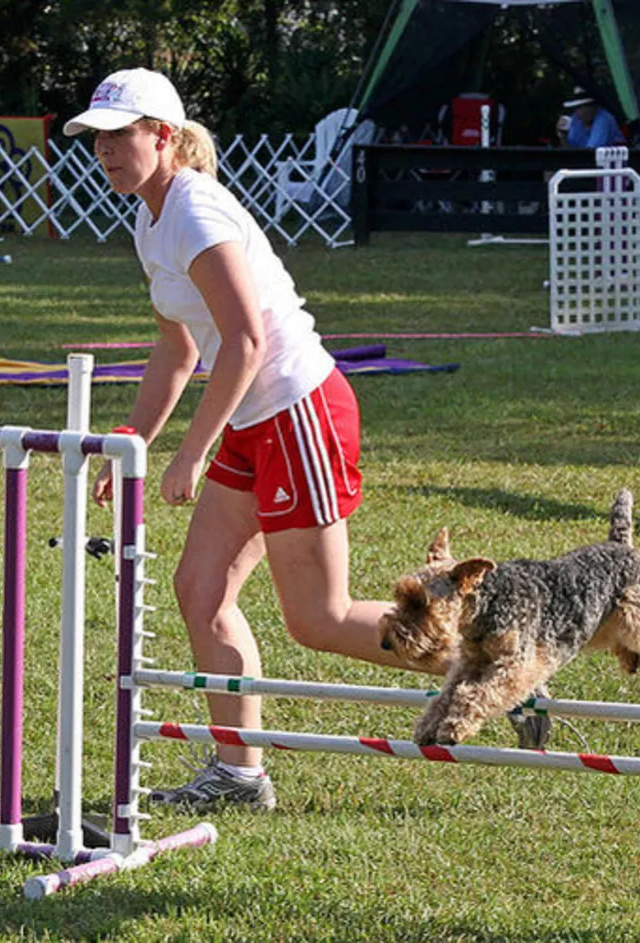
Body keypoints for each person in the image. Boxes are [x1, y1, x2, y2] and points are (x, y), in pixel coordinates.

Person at [64, 68, 444, 812]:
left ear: (163, 137)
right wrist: (131, 441)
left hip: (297, 406)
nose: (104, 149)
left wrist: (190, 451)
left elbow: (243, 340)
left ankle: (491, 660)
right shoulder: (148, 217)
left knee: (319, 618)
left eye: (120, 134)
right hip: (251, 416)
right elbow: (178, 349)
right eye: (97, 137)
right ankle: (237, 775)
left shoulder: (195, 210)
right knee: (200, 591)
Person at [557, 87, 625, 148]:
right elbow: (569, 153)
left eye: (588, 105)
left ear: (595, 106)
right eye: (579, 107)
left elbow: (591, 154)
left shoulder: (604, 119)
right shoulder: (575, 119)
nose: (584, 110)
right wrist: (563, 135)